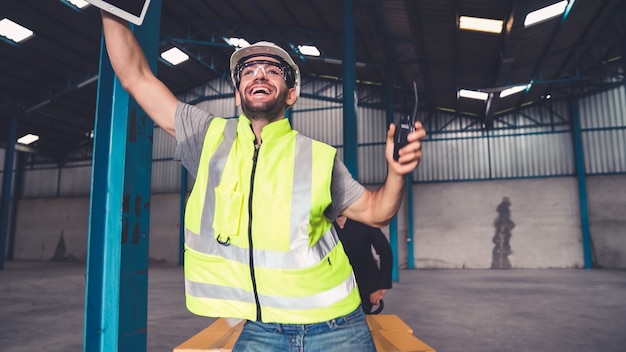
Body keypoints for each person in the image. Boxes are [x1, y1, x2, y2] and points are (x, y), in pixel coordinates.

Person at [100, 9, 426, 352]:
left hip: (336, 326)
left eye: (273, 71)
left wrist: (397, 173)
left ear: (290, 95)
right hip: (262, 329)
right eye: (249, 70)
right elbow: (134, 76)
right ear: (238, 93)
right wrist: (112, 7)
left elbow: (377, 213)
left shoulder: (317, 157)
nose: (260, 74)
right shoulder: (206, 137)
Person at [334, 216, 393, 314]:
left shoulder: (364, 222)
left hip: (366, 286)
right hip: (337, 285)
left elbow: (385, 253)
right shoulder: (327, 226)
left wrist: (382, 287)